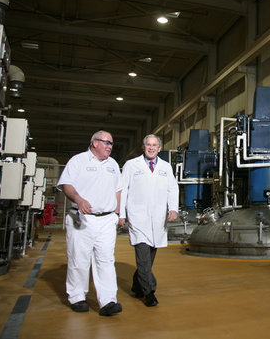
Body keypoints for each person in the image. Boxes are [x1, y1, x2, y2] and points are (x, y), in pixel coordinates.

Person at [57, 130, 123, 316]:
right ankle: (77, 297)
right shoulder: (78, 161)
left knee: (106, 260)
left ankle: (108, 300)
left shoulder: (113, 165)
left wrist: (117, 213)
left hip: (106, 220)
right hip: (82, 218)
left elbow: (118, 189)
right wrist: (78, 199)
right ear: (95, 143)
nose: (110, 146)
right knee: (79, 258)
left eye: (111, 143)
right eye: (106, 142)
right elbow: (67, 185)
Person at [119, 134, 179, 307]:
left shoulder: (165, 167)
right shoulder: (131, 165)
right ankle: (149, 292)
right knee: (143, 254)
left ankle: (137, 285)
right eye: (148, 145)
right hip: (138, 217)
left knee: (149, 257)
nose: (151, 148)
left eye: (154, 145)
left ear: (159, 148)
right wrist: (121, 214)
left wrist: (173, 208)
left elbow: (172, 189)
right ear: (143, 147)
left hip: (158, 218)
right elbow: (123, 190)